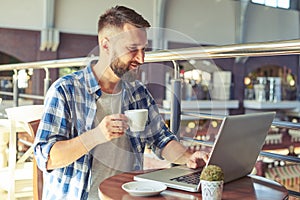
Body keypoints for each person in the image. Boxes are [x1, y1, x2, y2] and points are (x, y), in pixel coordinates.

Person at [34, 5, 208, 200]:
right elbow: (46, 157)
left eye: (144, 50)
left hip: (128, 196)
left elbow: (161, 139)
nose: (141, 59)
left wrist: (188, 158)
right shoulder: (65, 90)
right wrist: (96, 135)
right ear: (106, 44)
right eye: (133, 49)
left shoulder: (138, 93)